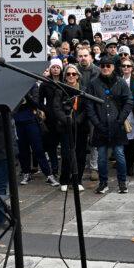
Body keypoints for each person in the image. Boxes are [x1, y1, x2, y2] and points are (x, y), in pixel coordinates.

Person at [85, 55, 132, 194]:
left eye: (108, 66)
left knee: (119, 155)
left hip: (117, 125)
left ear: (113, 67)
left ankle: (122, 182)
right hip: (100, 125)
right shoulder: (93, 83)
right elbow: (89, 105)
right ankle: (103, 183)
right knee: (101, 157)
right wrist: (97, 123)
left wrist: (120, 120)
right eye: (103, 66)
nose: (105, 68)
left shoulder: (120, 82)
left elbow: (129, 101)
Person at [54, 63, 89, 192]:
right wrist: (66, 120)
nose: (71, 76)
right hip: (65, 127)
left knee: (80, 154)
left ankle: (77, 180)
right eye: (68, 74)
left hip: (80, 127)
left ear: (78, 76)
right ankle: (64, 180)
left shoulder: (83, 90)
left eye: (73, 74)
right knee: (66, 154)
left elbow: (87, 108)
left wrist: (78, 120)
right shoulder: (60, 89)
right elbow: (56, 108)